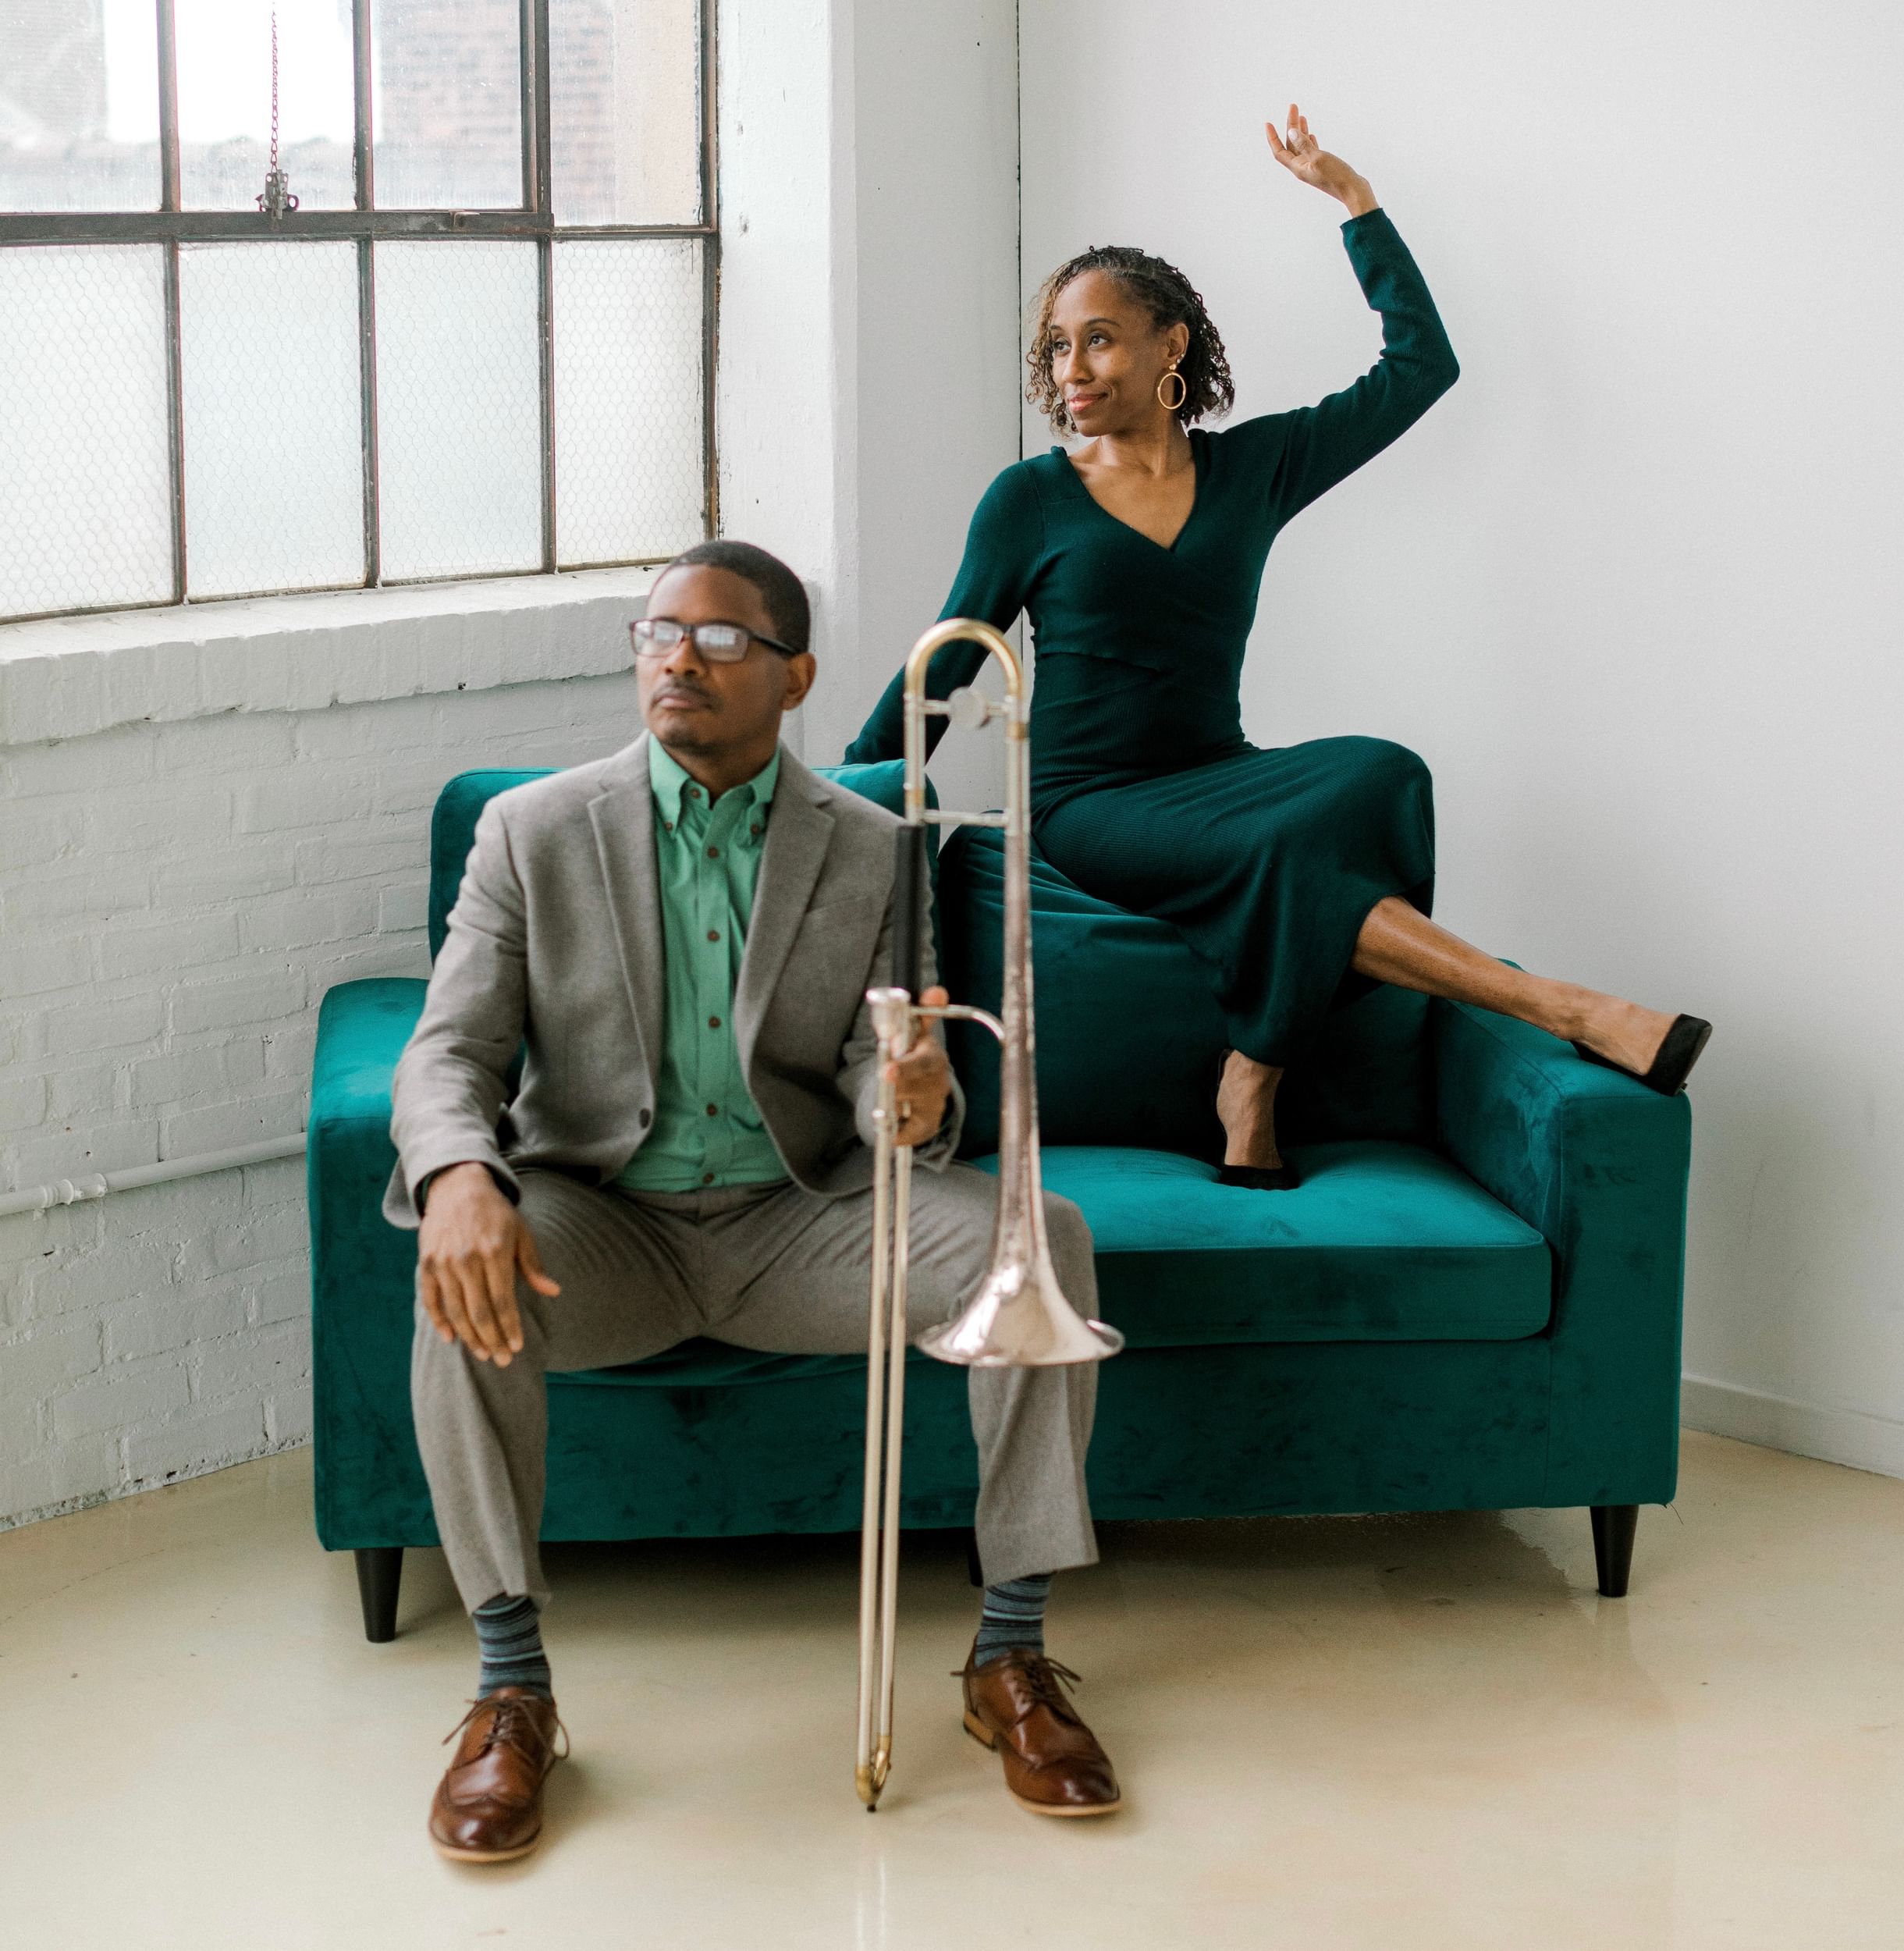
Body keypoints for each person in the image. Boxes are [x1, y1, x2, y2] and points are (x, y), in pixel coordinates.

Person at [385, 540, 1121, 1864]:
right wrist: (455, 1178)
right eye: (658, 633)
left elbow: (888, 1072)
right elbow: (449, 1052)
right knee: (460, 1280)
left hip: (805, 1223)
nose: (679, 658)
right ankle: (513, 1692)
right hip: (604, 1222)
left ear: (797, 678)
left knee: (1042, 1240)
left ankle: (1009, 1658)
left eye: (721, 640)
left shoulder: (875, 846)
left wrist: (909, 1089)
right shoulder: (535, 831)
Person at [847, 105, 1709, 1186]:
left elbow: (1419, 369)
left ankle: (1254, 1062)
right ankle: (1566, 1009)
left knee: (1379, 775)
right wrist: (843, 792)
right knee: (1300, 848)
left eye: (1100, 337)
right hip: (1088, 801)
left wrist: (1357, 205)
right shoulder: (1030, 499)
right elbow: (949, 659)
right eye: (1057, 345)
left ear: (1171, 344)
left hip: (1217, 771)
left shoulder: (1255, 468)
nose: (1073, 365)